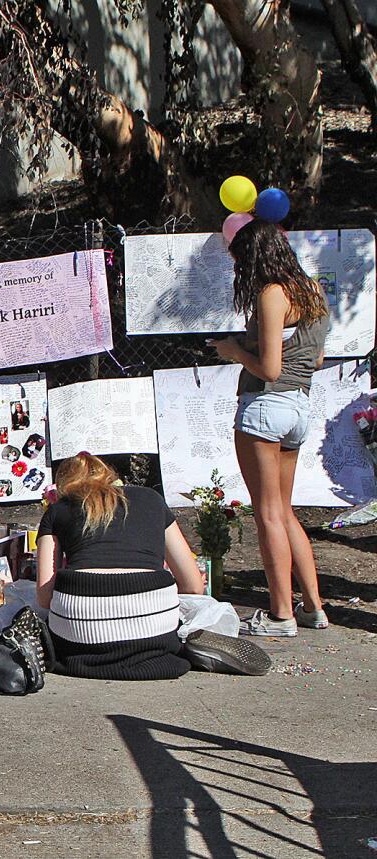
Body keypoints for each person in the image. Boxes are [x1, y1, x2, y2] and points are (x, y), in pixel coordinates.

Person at [37, 453, 268, 678]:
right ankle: (188, 638)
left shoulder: (57, 511)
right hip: (153, 626)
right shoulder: (151, 499)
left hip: (78, 634)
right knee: (195, 606)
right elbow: (194, 586)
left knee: (28, 607)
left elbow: (45, 597)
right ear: (111, 476)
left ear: (65, 486)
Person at [212, 220, 330, 637]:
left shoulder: (271, 293)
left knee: (266, 515)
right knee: (284, 511)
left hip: (265, 405)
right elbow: (313, 361)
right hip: (299, 404)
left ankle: (281, 615)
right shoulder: (312, 290)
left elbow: (269, 367)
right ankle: (314, 607)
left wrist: (234, 351)